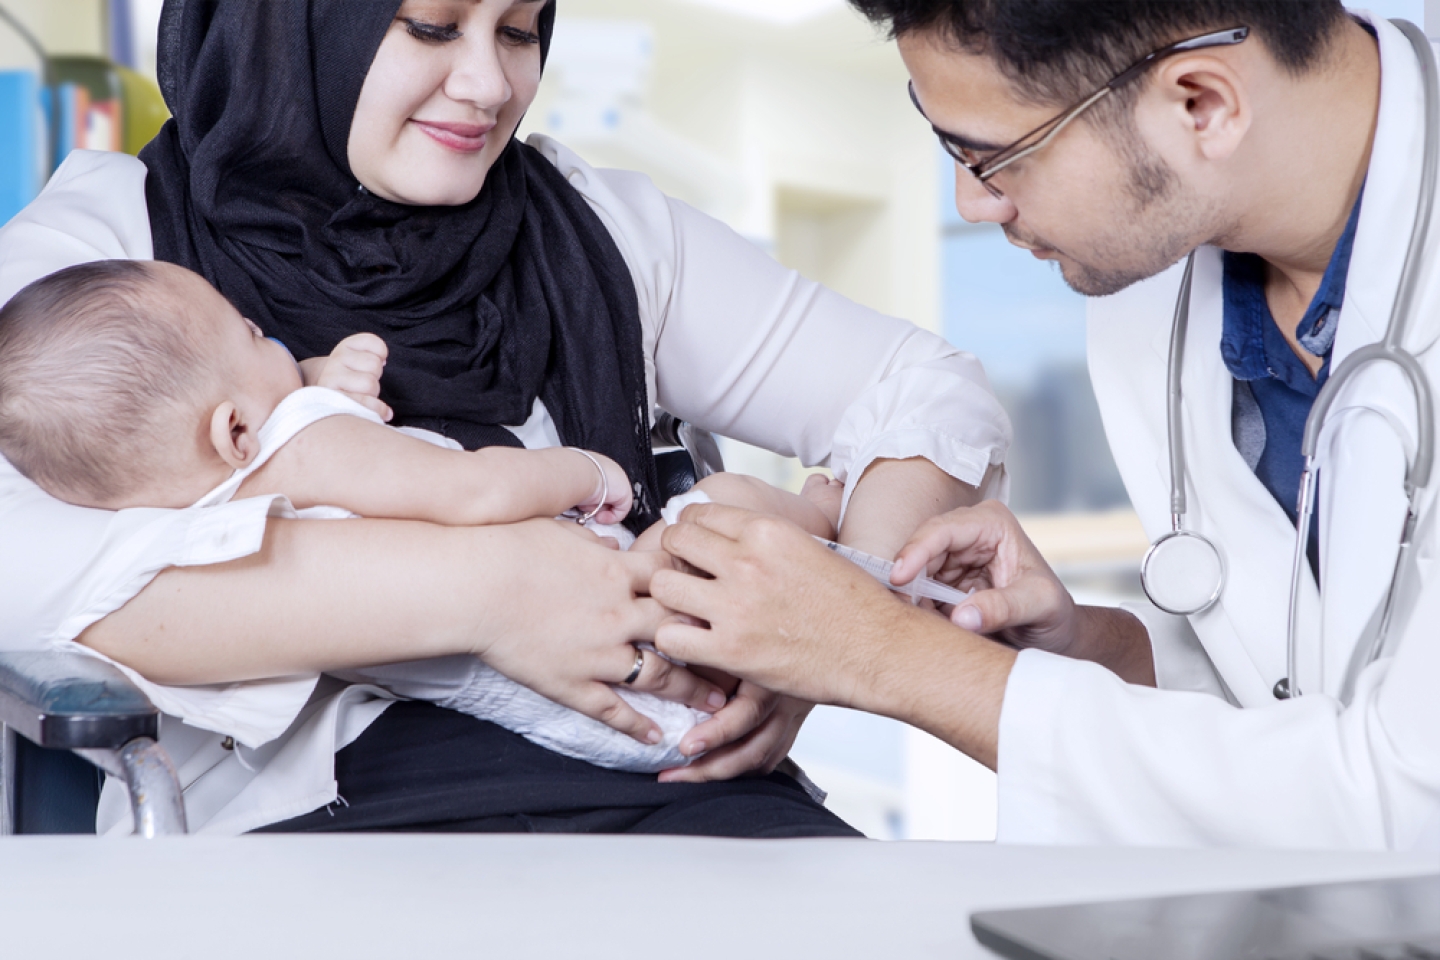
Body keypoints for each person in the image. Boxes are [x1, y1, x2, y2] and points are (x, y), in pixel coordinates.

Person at [0, 0, 1009, 836]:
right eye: (432, 28)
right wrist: (489, 590)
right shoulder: (115, 262)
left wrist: (834, 622)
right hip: (336, 823)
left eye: (519, 31)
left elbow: (924, 390)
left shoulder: (599, 231)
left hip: (685, 791)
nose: (490, 85)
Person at [651, 0, 1440, 850]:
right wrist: (1095, 653)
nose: (973, 203)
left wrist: (880, 651)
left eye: (994, 158)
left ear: (1200, 104)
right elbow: (1288, 716)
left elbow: (1408, 796)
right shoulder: (1160, 280)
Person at [0, 258, 841, 774]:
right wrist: (581, 470)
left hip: (584, 723)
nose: (277, 345)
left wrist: (326, 376)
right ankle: (820, 522)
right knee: (719, 512)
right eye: (252, 332)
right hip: (621, 659)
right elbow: (470, 493)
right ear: (235, 430)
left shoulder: (203, 511)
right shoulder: (310, 443)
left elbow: (298, 460)